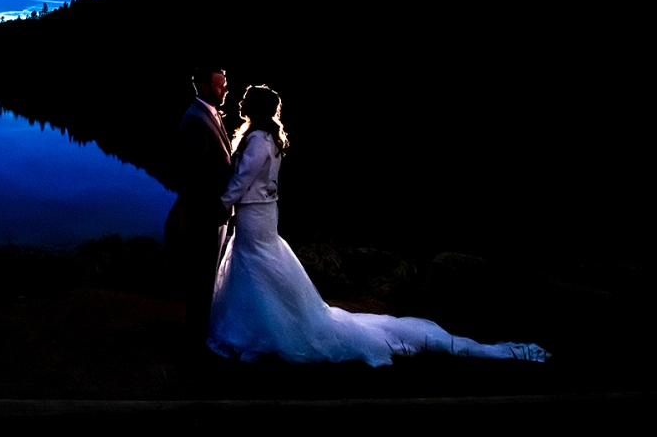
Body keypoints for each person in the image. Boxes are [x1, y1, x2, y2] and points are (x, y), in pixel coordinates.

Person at [208, 84, 548, 365]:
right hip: (261, 213)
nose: (240, 101)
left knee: (255, 266)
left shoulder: (257, 141)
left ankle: (257, 332)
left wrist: (221, 204)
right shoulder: (268, 139)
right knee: (257, 267)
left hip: (255, 214)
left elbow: (243, 179)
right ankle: (259, 327)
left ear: (257, 108)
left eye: (246, 99)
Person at [165, 66, 234, 351]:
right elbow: (195, 175)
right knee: (202, 278)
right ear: (205, 87)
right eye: (220, 86)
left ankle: (199, 331)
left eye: (225, 85)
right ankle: (196, 338)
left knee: (206, 276)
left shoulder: (208, 113)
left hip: (213, 212)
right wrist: (217, 204)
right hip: (206, 214)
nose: (225, 90)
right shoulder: (195, 119)